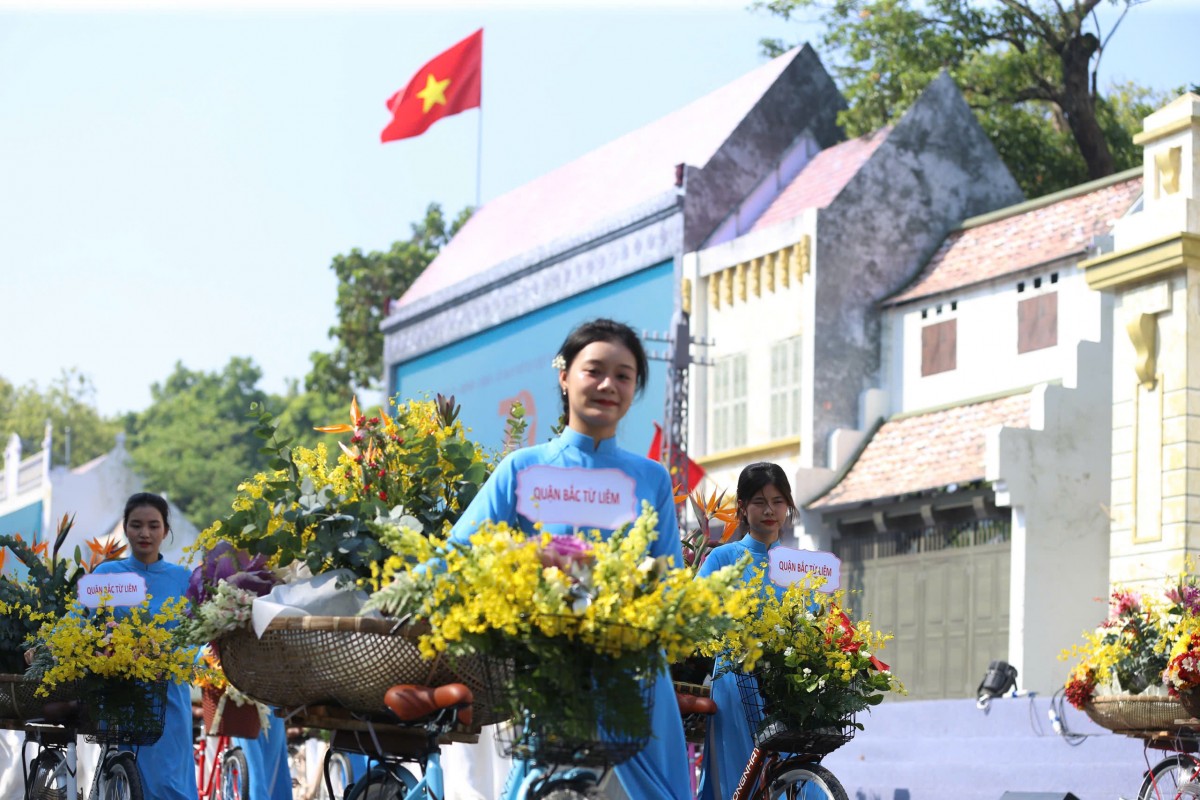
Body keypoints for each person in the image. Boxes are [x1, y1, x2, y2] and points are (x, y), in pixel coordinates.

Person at [448, 317, 691, 800]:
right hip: (551, 683)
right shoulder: (523, 468)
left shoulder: (652, 478)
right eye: (594, 370)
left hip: (636, 687)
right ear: (564, 376)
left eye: (624, 375)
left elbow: (670, 581)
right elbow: (460, 553)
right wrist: (536, 555)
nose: (608, 385)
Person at [695, 462, 796, 800]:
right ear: (741, 508)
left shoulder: (800, 567)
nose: (770, 510)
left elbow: (821, 619)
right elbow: (695, 611)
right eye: (759, 501)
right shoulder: (722, 559)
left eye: (778, 500)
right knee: (738, 778)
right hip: (739, 685)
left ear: (789, 506)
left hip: (790, 686)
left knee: (794, 777)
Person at [92, 492, 198, 800]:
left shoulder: (183, 579)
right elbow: (80, 620)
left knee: (170, 785)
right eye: (136, 525)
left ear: (166, 530)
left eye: (153, 525)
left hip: (168, 696)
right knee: (124, 776)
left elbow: (196, 636)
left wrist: (169, 657)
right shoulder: (106, 574)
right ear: (125, 528)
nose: (145, 533)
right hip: (119, 694)